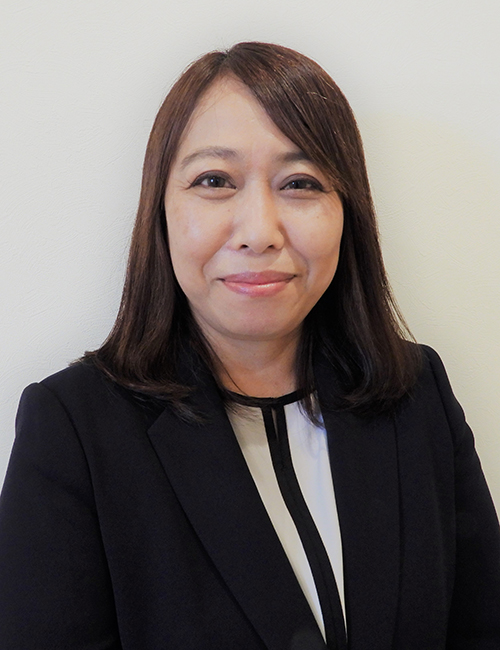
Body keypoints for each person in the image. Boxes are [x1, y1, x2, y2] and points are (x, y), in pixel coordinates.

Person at [0, 41, 499, 650]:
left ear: (348, 211)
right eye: (214, 180)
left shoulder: (416, 393)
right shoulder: (73, 427)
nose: (259, 231)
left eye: (300, 183)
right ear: (160, 210)